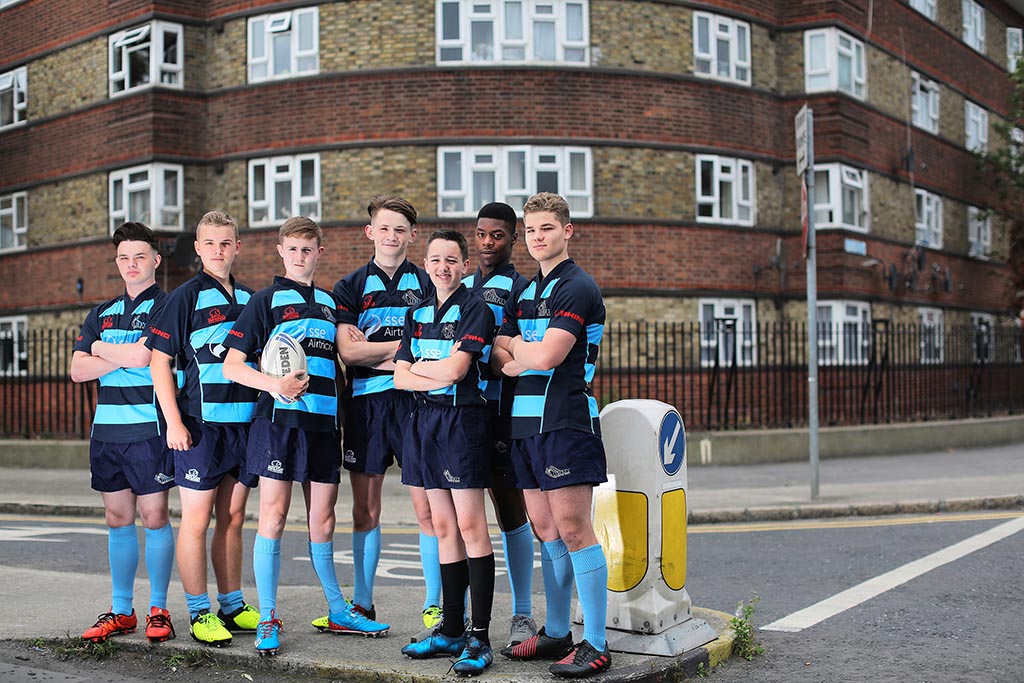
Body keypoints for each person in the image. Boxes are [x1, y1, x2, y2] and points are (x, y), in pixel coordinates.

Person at [222, 216, 389, 656]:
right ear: (281, 251)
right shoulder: (265, 300)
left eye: (307, 249)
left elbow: (347, 356)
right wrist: (274, 385)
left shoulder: (332, 304)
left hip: (324, 426)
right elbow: (232, 366)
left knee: (324, 520)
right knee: (273, 516)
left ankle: (338, 610)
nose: (300, 256)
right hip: (279, 424)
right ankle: (268, 617)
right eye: (293, 249)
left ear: (320, 252)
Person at [494, 193, 612, 678]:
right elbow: (498, 354)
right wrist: (522, 351)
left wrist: (521, 351)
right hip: (524, 424)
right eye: (531, 229)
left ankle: (597, 643)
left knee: (574, 529)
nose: (537, 237)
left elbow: (546, 357)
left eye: (546, 227)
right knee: (545, 529)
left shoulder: (578, 287)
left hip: (565, 421)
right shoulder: (524, 292)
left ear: (567, 231)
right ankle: (558, 633)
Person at [146, 211, 260, 647]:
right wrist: (174, 422)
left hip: (243, 426)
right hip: (199, 427)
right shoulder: (184, 297)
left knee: (232, 518)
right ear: (197, 248)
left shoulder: (252, 298)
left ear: (238, 247)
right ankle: (198, 612)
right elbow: (159, 363)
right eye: (210, 243)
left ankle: (232, 605)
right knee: (196, 520)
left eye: (226, 243)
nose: (218, 250)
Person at [333, 195, 438, 629]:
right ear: (370, 232)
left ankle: (436, 603)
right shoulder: (350, 286)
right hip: (365, 407)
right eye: (384, 228)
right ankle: (362, 602)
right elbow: (347, 353)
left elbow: (434, 347)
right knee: (365, 510)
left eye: (400, 230)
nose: (391, 236)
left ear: (412, 235)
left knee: (428, 509)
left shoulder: (427, 282)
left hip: (415, 403)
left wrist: (376, 349)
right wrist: (403, 349)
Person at [394, 230, 497, 675]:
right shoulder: (415, 313)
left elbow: (457, 371)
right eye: (435, 259)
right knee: (442, 527)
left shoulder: (476, 308)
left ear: (464, 265)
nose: (443, 267)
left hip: (461, 424)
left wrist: (423, 368)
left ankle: (480, 637)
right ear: (426, 263)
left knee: (471, 526)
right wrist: (430, 371)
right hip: (424, 425)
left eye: (452, 260)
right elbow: (399, 378)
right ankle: (452, 629)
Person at [70, 221, 176, 645]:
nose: (132, 264)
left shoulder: (167, 306)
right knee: (117, 519)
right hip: (107, 433)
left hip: (149, 430)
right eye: (124, 258)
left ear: (156, 260)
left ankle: (159, 610)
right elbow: (77, 370)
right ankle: (121, 611)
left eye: (140, 256)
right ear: (117, 262)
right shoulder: (101, 312)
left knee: (155, 518)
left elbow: (143, 357)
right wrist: (123, 355)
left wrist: (100, 348)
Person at [462, 202, 537, 648]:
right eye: (481, 234)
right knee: (461, 514)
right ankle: (457, 617)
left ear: (513, 238)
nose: (488, 242)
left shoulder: (521, 288)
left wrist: (494, 354)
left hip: (501, 409)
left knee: (510, 511)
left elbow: (517, 351)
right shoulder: (462, 284)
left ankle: (523, 612)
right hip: (461, 413)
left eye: (497, 235)